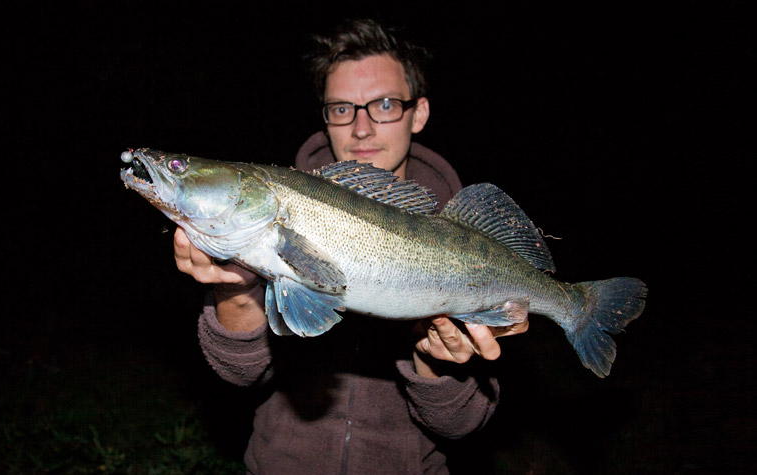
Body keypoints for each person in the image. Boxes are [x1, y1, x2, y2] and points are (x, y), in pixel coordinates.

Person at [173, 18, 528, 474]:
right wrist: (235, 292)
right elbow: (239, 376)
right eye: (341, 108)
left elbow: (460, 426)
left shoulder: (472, 248)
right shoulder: (261, 225)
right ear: (324, 117)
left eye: (383, 105)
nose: (361, 128)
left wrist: (433, 363)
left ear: (418, 112)